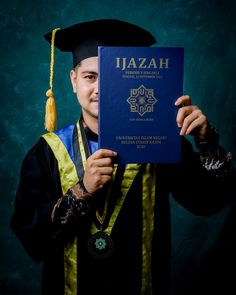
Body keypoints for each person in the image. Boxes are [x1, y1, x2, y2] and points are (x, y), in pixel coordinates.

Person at [10, 19, 235, 295]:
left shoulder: (160, 144)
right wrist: (82, 191)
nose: (100, 89)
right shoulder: (49, 151)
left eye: (111, 78)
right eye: (90, 76)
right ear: (73, 81)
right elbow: (30, 233)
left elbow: (208, 200)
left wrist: (206, 141)